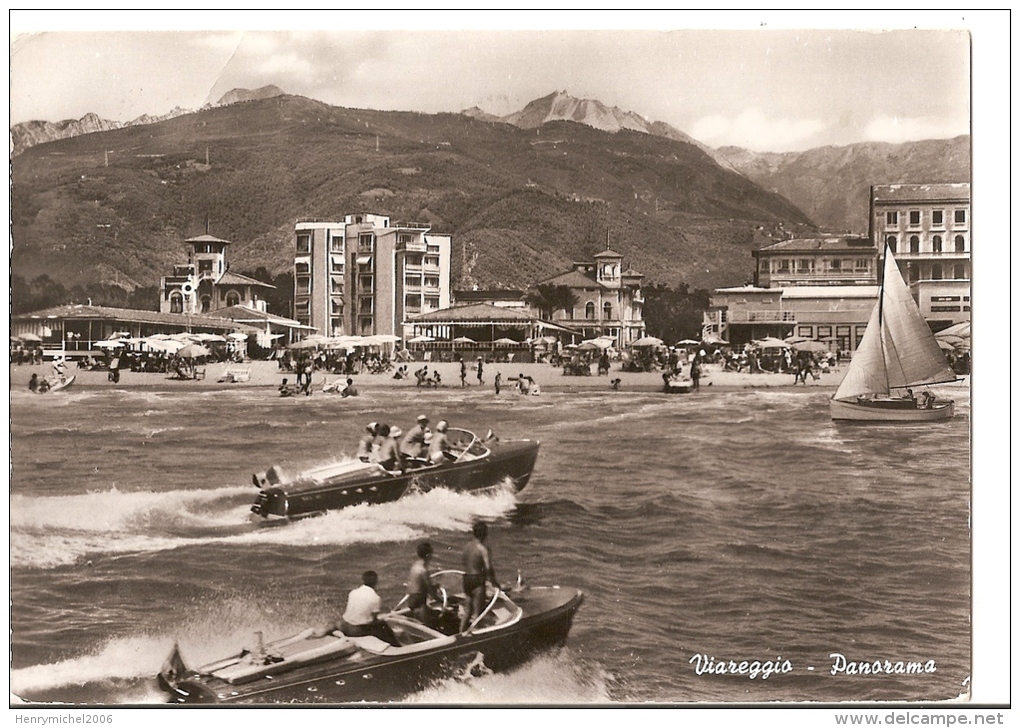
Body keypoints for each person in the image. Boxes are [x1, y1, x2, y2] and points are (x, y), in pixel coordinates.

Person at [316, 570, 400, 646]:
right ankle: (396, 646)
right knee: (383, 626)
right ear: (376, 582)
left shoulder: (353, 592)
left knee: (338, 622)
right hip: (354, 631)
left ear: (363, 580)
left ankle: (323, 632)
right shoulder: (375, 597)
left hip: (343, 625)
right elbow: (374, 621)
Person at [460, 522, 500, 634]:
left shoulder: (467, 546)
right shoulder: (483, 549)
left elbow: (464, 561)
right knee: (479, 613)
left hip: (466, 579)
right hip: (477, 580)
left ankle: (461, 633)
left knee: (468, 610)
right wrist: (494, 582)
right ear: (485, 534)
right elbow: (488, 568)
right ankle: (478, 636)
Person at [406, 542, 441, 625]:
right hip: (419, 601)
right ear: (428, 556)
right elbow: (430, 590)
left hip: (411, 598)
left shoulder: (415, 565)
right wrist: (439, 600)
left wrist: (434, 587)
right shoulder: (423, 570)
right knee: (427, 624)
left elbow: (418, 583)